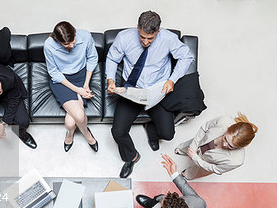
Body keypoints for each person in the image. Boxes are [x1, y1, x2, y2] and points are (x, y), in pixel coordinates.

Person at [106, 11, 194, 178]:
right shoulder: (124, 38)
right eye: (142, 37)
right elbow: (112, 59)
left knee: (168, 135)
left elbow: (186, 57)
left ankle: (150, 128)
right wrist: (111, 80)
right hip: (133, 89)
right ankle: (131, 157)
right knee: (117, 132)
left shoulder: (168, 38)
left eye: (150, 39)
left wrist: (172, 80)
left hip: (157, 90)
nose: (145, 42)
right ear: (138, 28)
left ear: (158, 31)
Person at [44, 21, 99, 152]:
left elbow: (92, 58)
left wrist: (85, 85)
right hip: (62, 81)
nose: (72, 46)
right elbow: (54, 72)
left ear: (75, 33)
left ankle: (70, 133)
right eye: (66, 44)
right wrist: (78, 90)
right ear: (57, 40)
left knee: (70, 123)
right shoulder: (49, 45)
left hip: (81, 77)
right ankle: (87, 134)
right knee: (79, 117)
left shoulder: (85, 36)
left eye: (73, 41)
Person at [175, 113, 258, 179]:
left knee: (197, 171)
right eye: (225, 138)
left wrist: (195, 159)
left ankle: (187, 174)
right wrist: (193, 147)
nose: (225, 144)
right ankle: (181, 150)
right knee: (191, 144)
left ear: (240, 147)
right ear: (228, 128)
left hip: (207, 162)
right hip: (201, 142)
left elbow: (215, 169)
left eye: (231, 146)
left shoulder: (236, 161)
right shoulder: (224, 120)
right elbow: (204, 128)